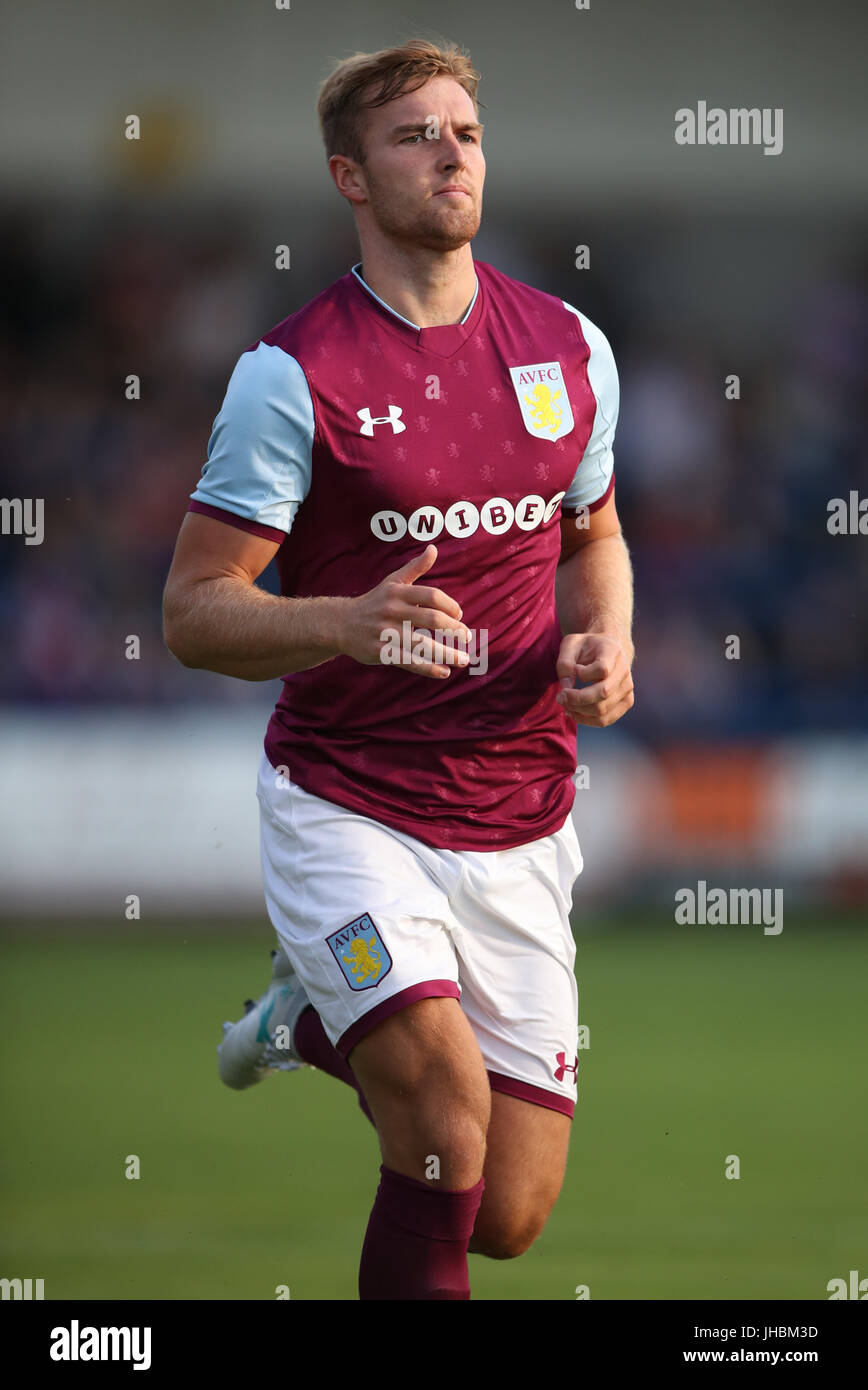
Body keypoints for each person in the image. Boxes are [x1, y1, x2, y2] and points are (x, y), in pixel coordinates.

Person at [162, 37, 635, 1301]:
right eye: (415, 135)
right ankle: (348, 1004)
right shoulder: (293, 374)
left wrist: (609, 638)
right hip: (350, 799)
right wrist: (340, 621)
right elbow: (196, 612)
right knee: (438, 1120)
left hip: (521, 808)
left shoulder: (568, 348)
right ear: (350, 179)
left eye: (465, 133)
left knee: (509, 1214)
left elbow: (594, 533)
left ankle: (304, 1021)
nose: (450, 153)